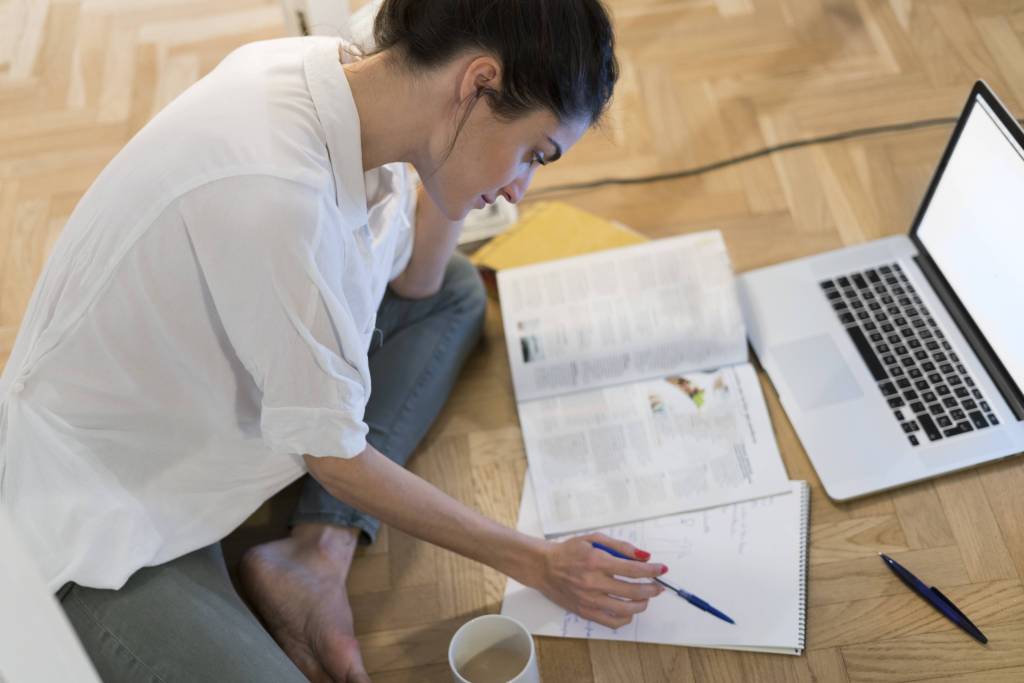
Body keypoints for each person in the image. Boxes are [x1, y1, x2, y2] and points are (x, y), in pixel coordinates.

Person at [0, 1, 667, 681]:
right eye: (534, 153)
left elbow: (417, 284)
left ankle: (314, 557)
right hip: (104, 514)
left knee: (455, 293)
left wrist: (463, 185)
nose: (520, 189)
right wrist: (538, 561)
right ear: (477, 82)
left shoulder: (354, 85)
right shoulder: (276, 192)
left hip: (210, 435)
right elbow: (335, 456)